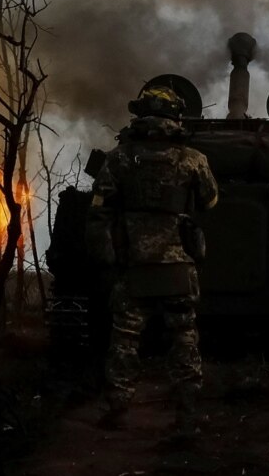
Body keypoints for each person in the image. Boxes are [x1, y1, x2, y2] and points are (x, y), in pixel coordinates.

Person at [86, 85, 219, 436]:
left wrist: (107, 258)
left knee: (125, 340)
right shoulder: (192, 159)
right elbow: (209, 202)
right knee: (185, 338)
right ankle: (187, 414)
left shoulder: (119, 158)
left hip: (134, 266)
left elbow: (99, 210)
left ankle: (117, 408)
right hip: (178, 267)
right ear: (176, 118)